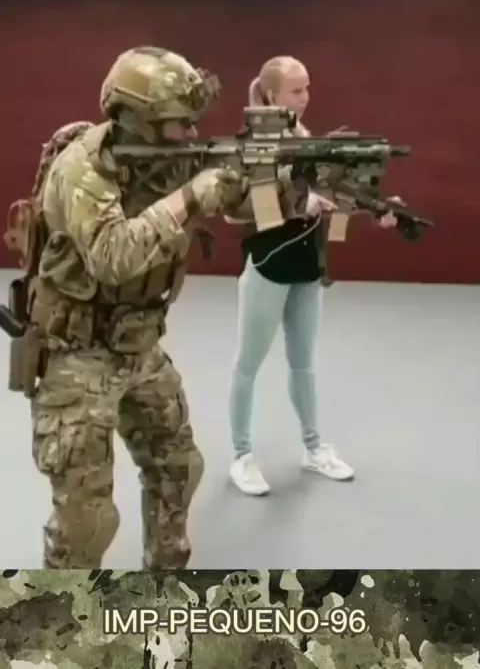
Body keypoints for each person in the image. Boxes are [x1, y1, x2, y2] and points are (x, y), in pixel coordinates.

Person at [5, 46, 248, 569]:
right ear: (138, 119)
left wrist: (276, 186)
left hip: (139, 345)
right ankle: (58, 617)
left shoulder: (168, 157)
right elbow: (113, 257)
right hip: (76, 355)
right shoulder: (82, 168)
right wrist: (191, 196)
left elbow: (238, 203)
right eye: (178, 123)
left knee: (178, 469)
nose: (191, 133)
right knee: (87, 521)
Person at [227, 56, 398, 496]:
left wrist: (375, 210)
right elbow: (234, 210)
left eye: (307, 88)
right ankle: (241, 456)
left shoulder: (305, 139)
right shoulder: (255, 144)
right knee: (248, 365)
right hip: (269, 266)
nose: (306, 97)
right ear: (271, 95)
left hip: (306, 268)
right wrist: (299, 205)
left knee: (303, 363)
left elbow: (331, 196)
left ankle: (314, 447)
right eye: (297, 90)